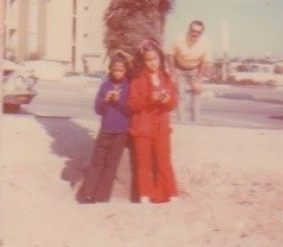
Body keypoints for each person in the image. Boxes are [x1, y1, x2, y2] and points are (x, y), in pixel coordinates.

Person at [127, 39, 179, 204]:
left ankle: (171, 194)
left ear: (160, 59)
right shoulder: (137, 79)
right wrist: (150, 99)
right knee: (144, 164)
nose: (152, 63)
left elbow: (173, 104)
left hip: (161, 127)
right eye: (148, 60)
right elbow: (132, 104)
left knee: (164, 161)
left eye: (155, 59)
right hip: (142, 127)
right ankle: (145, 195)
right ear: (143, 61)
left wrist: (167, 100)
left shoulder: (167, 78)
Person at [76, 55, 131, 204]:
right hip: (105, 130)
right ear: (110, 70)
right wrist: (105, 100)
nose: (117, 73)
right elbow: (97, 109)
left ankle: (102, 197)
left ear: (126, 71)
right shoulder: (105, 85)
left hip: (121, 132)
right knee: (97, 162)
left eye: (121, 70)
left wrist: (119, 101)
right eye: (115, 70)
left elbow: (131, 110)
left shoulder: (129, 86)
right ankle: (88, 195)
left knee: (111, 165)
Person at [168, 20, 211, 123]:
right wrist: (173, 73)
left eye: (198, 32)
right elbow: (170, 55)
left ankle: (196, 123)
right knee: (180, 96)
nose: (195, 33)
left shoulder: (206, 42)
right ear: (189, 30)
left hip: (195, 69)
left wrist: (198, 80)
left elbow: (205, 62)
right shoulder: (179, 38)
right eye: (193, 30)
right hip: (179, 68)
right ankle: (181, 122)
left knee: (196, 95)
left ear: (201, 33)